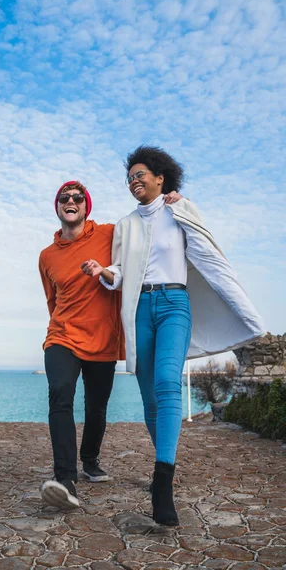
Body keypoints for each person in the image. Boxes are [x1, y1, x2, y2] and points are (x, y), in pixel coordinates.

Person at [81, 145, 265, 526]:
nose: (134, 181)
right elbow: (119, 271)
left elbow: (206, 251)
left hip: (175, 304)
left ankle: (162, 481)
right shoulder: (125, 224)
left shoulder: (180, 209)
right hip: (140, 310)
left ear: (160, 177)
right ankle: (163, 459)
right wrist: (103, 270)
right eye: (129, 177)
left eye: (140, 174)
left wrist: (181, 205)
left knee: (167, 382)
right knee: (150, 399)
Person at [39, 179, 184, 509]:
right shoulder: (46, 256)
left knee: (96, 406)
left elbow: (146, 233)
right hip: (62, 335)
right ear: (58, 206)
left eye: (77, 197)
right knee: (60, 395)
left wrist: (171, 200)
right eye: (64, 197)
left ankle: (89, 459)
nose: (70, 201)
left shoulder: (110, 233)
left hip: (103, 339)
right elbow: (52, 300)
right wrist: (58, 330)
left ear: (86, 206)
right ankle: (65, 480)